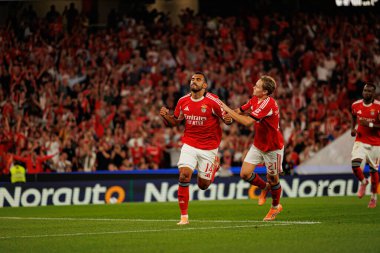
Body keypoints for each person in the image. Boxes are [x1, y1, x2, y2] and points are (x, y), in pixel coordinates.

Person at [160, 71, 233, 225]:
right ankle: (184, 217)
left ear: (204, 85)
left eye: (198, 79)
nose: (194, 81)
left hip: (209, 148)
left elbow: (227, 118)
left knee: (203, 185)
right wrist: (166, 116)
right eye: (192, 79)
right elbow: (175, 121)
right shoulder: (183, 101)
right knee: (184, 175)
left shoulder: (213, 101)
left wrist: (228, 120)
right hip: (189, 144)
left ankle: (214, 165)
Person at [219, 75, 284, 221]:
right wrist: (226, 114)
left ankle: (275, 207)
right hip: (258, 144)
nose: (253, 87)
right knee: (245, 173)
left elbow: (247, 122)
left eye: (257, 86)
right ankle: (264, 187)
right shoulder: (255, 99)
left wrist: (227, 109)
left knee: (274, 178)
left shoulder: (269, 103)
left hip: (273, 147)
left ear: (265, 91)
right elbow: (241, 111)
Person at [350, 82, 380, 208]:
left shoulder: (378, 107)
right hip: (360, 140)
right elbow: (353, 117)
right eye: (365, 90)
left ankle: (373, 197)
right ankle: (363, 181)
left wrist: (370, 125)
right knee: (355, 165)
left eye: (369, 91)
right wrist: (353, 128)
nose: (366, 93)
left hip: (375, 143)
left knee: (374, 171)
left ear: (374, 93)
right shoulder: (355, 105)